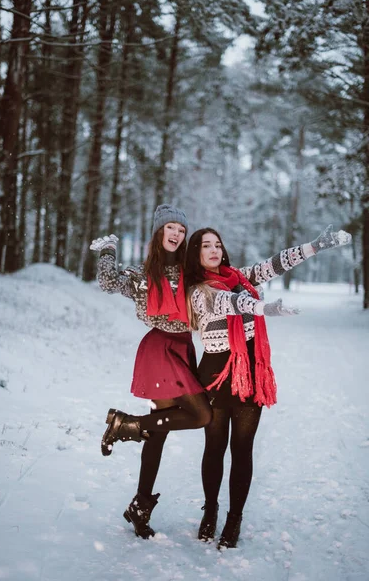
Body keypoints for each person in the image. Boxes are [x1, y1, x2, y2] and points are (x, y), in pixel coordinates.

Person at [90, 204, 288, 540]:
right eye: (170, 228)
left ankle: (139, 502)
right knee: (200, 415)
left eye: (181, 230)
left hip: (183, 348)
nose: (176, 234)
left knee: (161, 430)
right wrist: (108, 249)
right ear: (158, 232)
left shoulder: (189, 269)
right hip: (158, 350)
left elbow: (228, 277)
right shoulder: (143, 273)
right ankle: (128, 426)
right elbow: (108, 283)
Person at [184, 225, 351, 550]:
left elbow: (273, 265)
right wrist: (264, 308)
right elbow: (227, 304)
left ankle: (234, 519)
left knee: (242, 450)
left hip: (248, 375)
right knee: (215, 447)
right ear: (196, 253)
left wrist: (314, 247)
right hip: (216, 377)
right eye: (206, 246)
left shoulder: (238, 277)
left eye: (217, 244)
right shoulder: (199, 290)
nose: (214, 250)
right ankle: (211, 510)